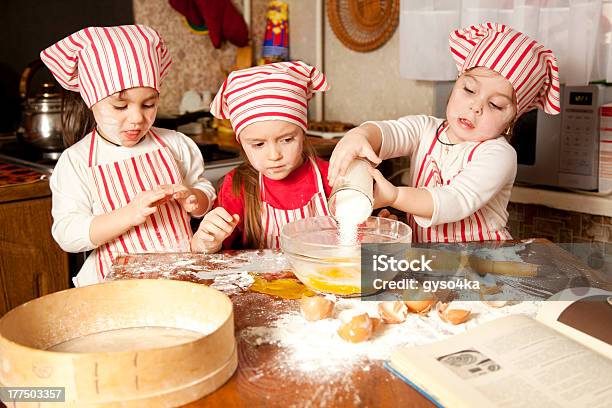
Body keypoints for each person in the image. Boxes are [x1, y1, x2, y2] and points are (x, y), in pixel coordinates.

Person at [328, 22, 560, 243]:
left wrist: (396, 197)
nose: (475, 107)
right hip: (433, 266)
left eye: (495, 105)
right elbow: (391, 132)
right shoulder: (424, 129)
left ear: (512, 119)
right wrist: (360, 135)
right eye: (469, 90)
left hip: (484, 267)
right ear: (456, 84)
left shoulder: (499, 155)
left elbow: (455, 200)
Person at [41, 25, 216, 286]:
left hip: (181, 279)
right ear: (92, 100)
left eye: (149, 104)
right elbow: (68, 234)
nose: (137, 118)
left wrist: (196, 199)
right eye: (120, 106)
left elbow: (204, 190)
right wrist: (129, 214)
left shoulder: (175, 144)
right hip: (115, 290)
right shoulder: (77, 161)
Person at [190, 61, 331, 252]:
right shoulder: (237, 186)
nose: (274, 155)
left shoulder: (330, 177)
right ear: (242, 143)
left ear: (303, 132)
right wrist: (205, 241)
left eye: (287, 139)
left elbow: (360, 244)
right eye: (258, 144)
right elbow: (213, 254)